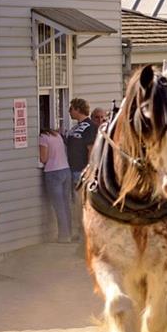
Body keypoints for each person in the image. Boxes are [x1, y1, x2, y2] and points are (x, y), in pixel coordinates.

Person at [66, 97, 96, 240]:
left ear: (78, 109)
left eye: (71, 108)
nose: (69, 111)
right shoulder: (74, 127)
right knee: (75, 203)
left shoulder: (90, 127)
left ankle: (83, 233)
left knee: (81, 203)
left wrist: (89, 169)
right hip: (70, 169)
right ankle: (78, 231)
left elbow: (91, 148)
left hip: (81, 171)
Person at [39, 128, 72, 243]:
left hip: (53, 172)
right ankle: (69, 233)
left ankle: (63, 236)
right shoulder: (57, 136)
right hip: (66, 170)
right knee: (66, 204)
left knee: (59, 206)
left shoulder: (43, 138)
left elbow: (44, 158)